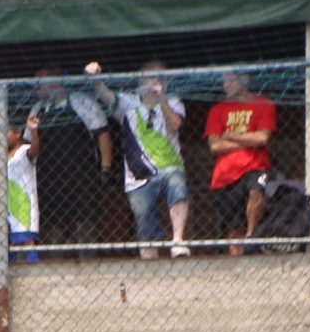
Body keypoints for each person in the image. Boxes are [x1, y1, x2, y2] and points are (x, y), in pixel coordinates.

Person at [85, 60, 188, 257]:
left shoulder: (173, 101)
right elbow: (106, 96)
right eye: (152, 76)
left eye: (161, 77)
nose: (157, 81)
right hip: (138, 172)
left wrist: (162, 99)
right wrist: (94, 78)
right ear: (141, 79)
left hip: (169, 166)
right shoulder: (128, 102)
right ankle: (149, 262)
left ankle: (178, 241)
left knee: (178, 188)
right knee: (144, 218)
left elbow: (175, 125)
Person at [30, 70, 115, 254]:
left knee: (84, 224)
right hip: (49, 178)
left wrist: (105, 167)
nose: (36, 88)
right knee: (53, 227)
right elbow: (30, 146)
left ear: (55, 84)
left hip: (81, 176)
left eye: (40, 84)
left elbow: (103, 133)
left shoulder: (82, 102)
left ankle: (88, 267)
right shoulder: (37, 109)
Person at [202, 71, 276, 254]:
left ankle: (251, 237)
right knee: (233, 225)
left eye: (230, 80)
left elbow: (262, 138)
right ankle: (237, 255)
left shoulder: (263, 104)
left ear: (244, 80)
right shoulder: (217, 110)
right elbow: (215, 145)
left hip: (255, 166)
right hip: (225, 174)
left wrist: (232, 136)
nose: (225, 85)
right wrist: (247, 139)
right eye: (223, 80)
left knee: (256, 191)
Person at [3, 111, 44, 263]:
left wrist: (33, 131)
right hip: (9, 206)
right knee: (9, 243)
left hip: (24, 205)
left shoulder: (23, 151)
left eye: (5, 131)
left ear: (17, 133)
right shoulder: (3, 155)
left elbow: (34, 150)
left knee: (27, 242)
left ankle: (33, 271)